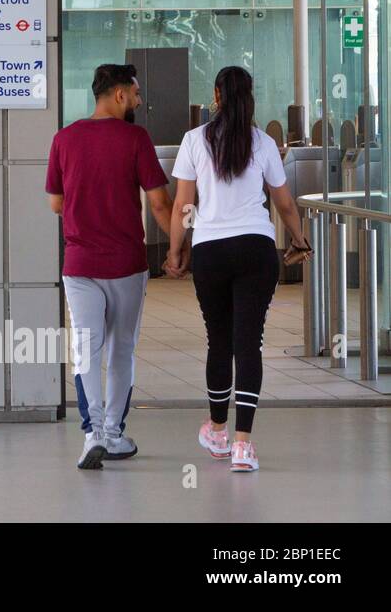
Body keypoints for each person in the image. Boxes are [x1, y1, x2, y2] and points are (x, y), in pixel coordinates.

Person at [165, 66, 310, 473]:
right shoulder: (263, 142)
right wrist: (298, 239)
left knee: (219, 341)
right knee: (249, 343)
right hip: (256, 249)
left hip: (211, 249)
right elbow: (283, 204)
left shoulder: (195, 140)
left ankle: (217, 430)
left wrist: (175, 251)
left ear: (216, 95)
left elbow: (183, 205)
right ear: (250, 97)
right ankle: (244, 445)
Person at [46, 64, 176, 469]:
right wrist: (177, 248)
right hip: (126, 264)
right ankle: (115, 436)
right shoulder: (136, 138)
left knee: (85, 349)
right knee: (121, 348)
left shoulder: (64, 139)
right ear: (119, 94)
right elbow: (158, 202)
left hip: (80, 263)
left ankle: (92, 435)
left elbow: (55, 202)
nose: (139, 101)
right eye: (135, 94)